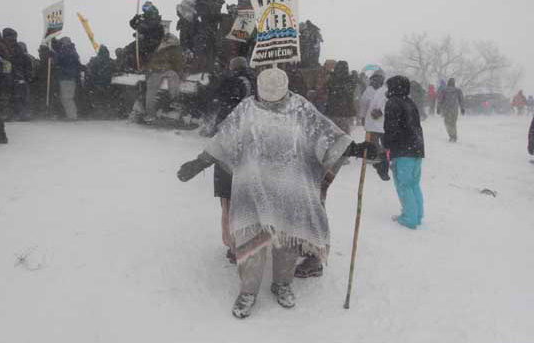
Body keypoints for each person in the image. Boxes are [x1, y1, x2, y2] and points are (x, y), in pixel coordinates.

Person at [176, 68, 377, 319]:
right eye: (267, 95)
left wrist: (356, 148)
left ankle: (282, 283)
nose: (272, 100)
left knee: (287, 240)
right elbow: (224, 139)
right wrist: (200, 162)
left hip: (289, 189)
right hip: (252, 188)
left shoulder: (301, 108)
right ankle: (248, 291)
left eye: (277, 96)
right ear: (259, 91)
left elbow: (326, 135)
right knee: (250, 240)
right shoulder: (246, 109)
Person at [208, 57, 255, 263]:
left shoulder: (228, 81)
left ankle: (235, 247)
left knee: (228, 201)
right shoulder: (256, 84)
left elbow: (216, 97)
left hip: (229, 145)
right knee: (246, 200)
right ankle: (248, 242)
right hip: (251, 148)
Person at [383, 75, 425, 230]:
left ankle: (409, 218)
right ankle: (417, 214)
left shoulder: (392, 103)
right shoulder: (410, 102)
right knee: (413, 183)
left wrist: (386, 144)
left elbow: (391, 128)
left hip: (402, 150)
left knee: (404, 184)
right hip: (416, 148)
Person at [142, 33, 184, 124]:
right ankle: (174, 101)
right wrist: (180, 73)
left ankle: (150, 114)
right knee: (174, 77)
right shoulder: (175, 49)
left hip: (154, 70)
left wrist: (148, 71)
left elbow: (151, 61)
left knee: (151, 93)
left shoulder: (159, 48)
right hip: (165, 69)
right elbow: (178, 63)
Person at [364, 73, 390, 181]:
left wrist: (379, 112)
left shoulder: (384, 91)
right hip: (375, 123)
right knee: (374, 141)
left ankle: (382, 161)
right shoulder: (374, 91)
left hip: (379, 122)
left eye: (375, 81)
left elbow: (386, 105)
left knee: (381, 143)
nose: (373, 83)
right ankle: (376, 157)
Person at [53, 37, 83, 121]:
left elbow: (60, 59)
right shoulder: (71, 51)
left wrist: (53, 54)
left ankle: (72, 116)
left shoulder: (67, 51)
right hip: (68, 77)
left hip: (67, 77)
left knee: (67, 98)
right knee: (66, 98)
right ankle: (72, 115)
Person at [326, 60, 357, 134]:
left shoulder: (332, 79)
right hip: (345, 112)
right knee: (344, 135)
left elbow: (331, 89)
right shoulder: (350, 80)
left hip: (333, 111)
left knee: (332, 135)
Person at [129, 2, 165, 67]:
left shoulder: (154, 16)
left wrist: (140, 25)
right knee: (129, 49)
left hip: (153, 42)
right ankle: (129, 64)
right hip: (143, 41)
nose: (145, 9)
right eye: (144, 7)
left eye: (147, 7)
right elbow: (133, 25)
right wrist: (134, 20)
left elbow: (151, 26)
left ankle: (138, 65)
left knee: (135, 49)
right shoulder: (143, 17)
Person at [437, 78, 465, 142]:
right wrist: (462, 108)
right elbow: (461, 100)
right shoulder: (458, 90)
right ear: (454, 83)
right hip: (454, 109)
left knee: (447, 123)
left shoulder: (444, 90)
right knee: (453, 123)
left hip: (446, 109)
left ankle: (451, 135)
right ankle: (454, 136)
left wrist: (438, 108)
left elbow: (440, 100)